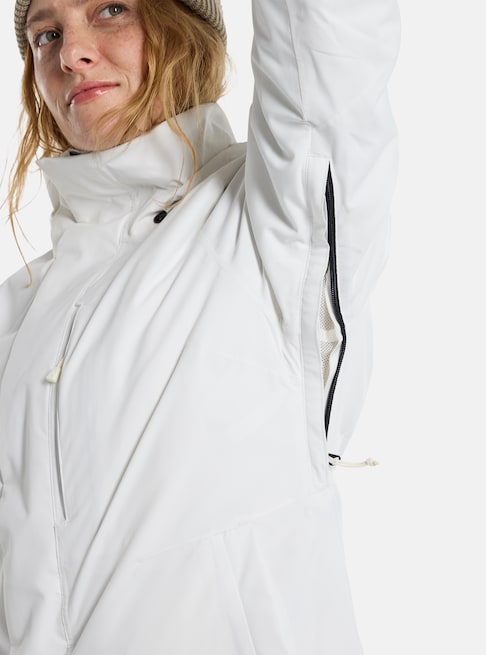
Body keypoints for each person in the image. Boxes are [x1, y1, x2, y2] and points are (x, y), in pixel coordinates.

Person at [0, 0, 401, 652]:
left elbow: (328, 50)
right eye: (46, 33)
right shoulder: (20, 312)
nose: (71, 52)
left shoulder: (270, 226)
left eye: (110, 9)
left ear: (183, 26)